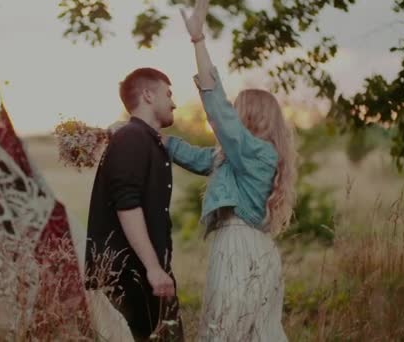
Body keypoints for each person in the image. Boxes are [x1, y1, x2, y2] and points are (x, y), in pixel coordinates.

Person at [163, 1, 297, 340]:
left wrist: (198, 41)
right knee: (249, 333)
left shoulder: (257, 153)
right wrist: (151, 135)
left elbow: (217, 110)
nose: (231, 115)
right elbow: (194, 157)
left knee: (227, 331)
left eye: (237, 109)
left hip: (241, 247)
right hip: (248, 247)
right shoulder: (237, 158)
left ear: (250, 115)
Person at [85, 67, 184, 341]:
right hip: (129, 276)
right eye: (168, 94)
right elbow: (127, 205)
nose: (174, 102)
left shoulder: (145, 140)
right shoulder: (131, 138)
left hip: (147, 274)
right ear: (148, 95)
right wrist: (153, 269)